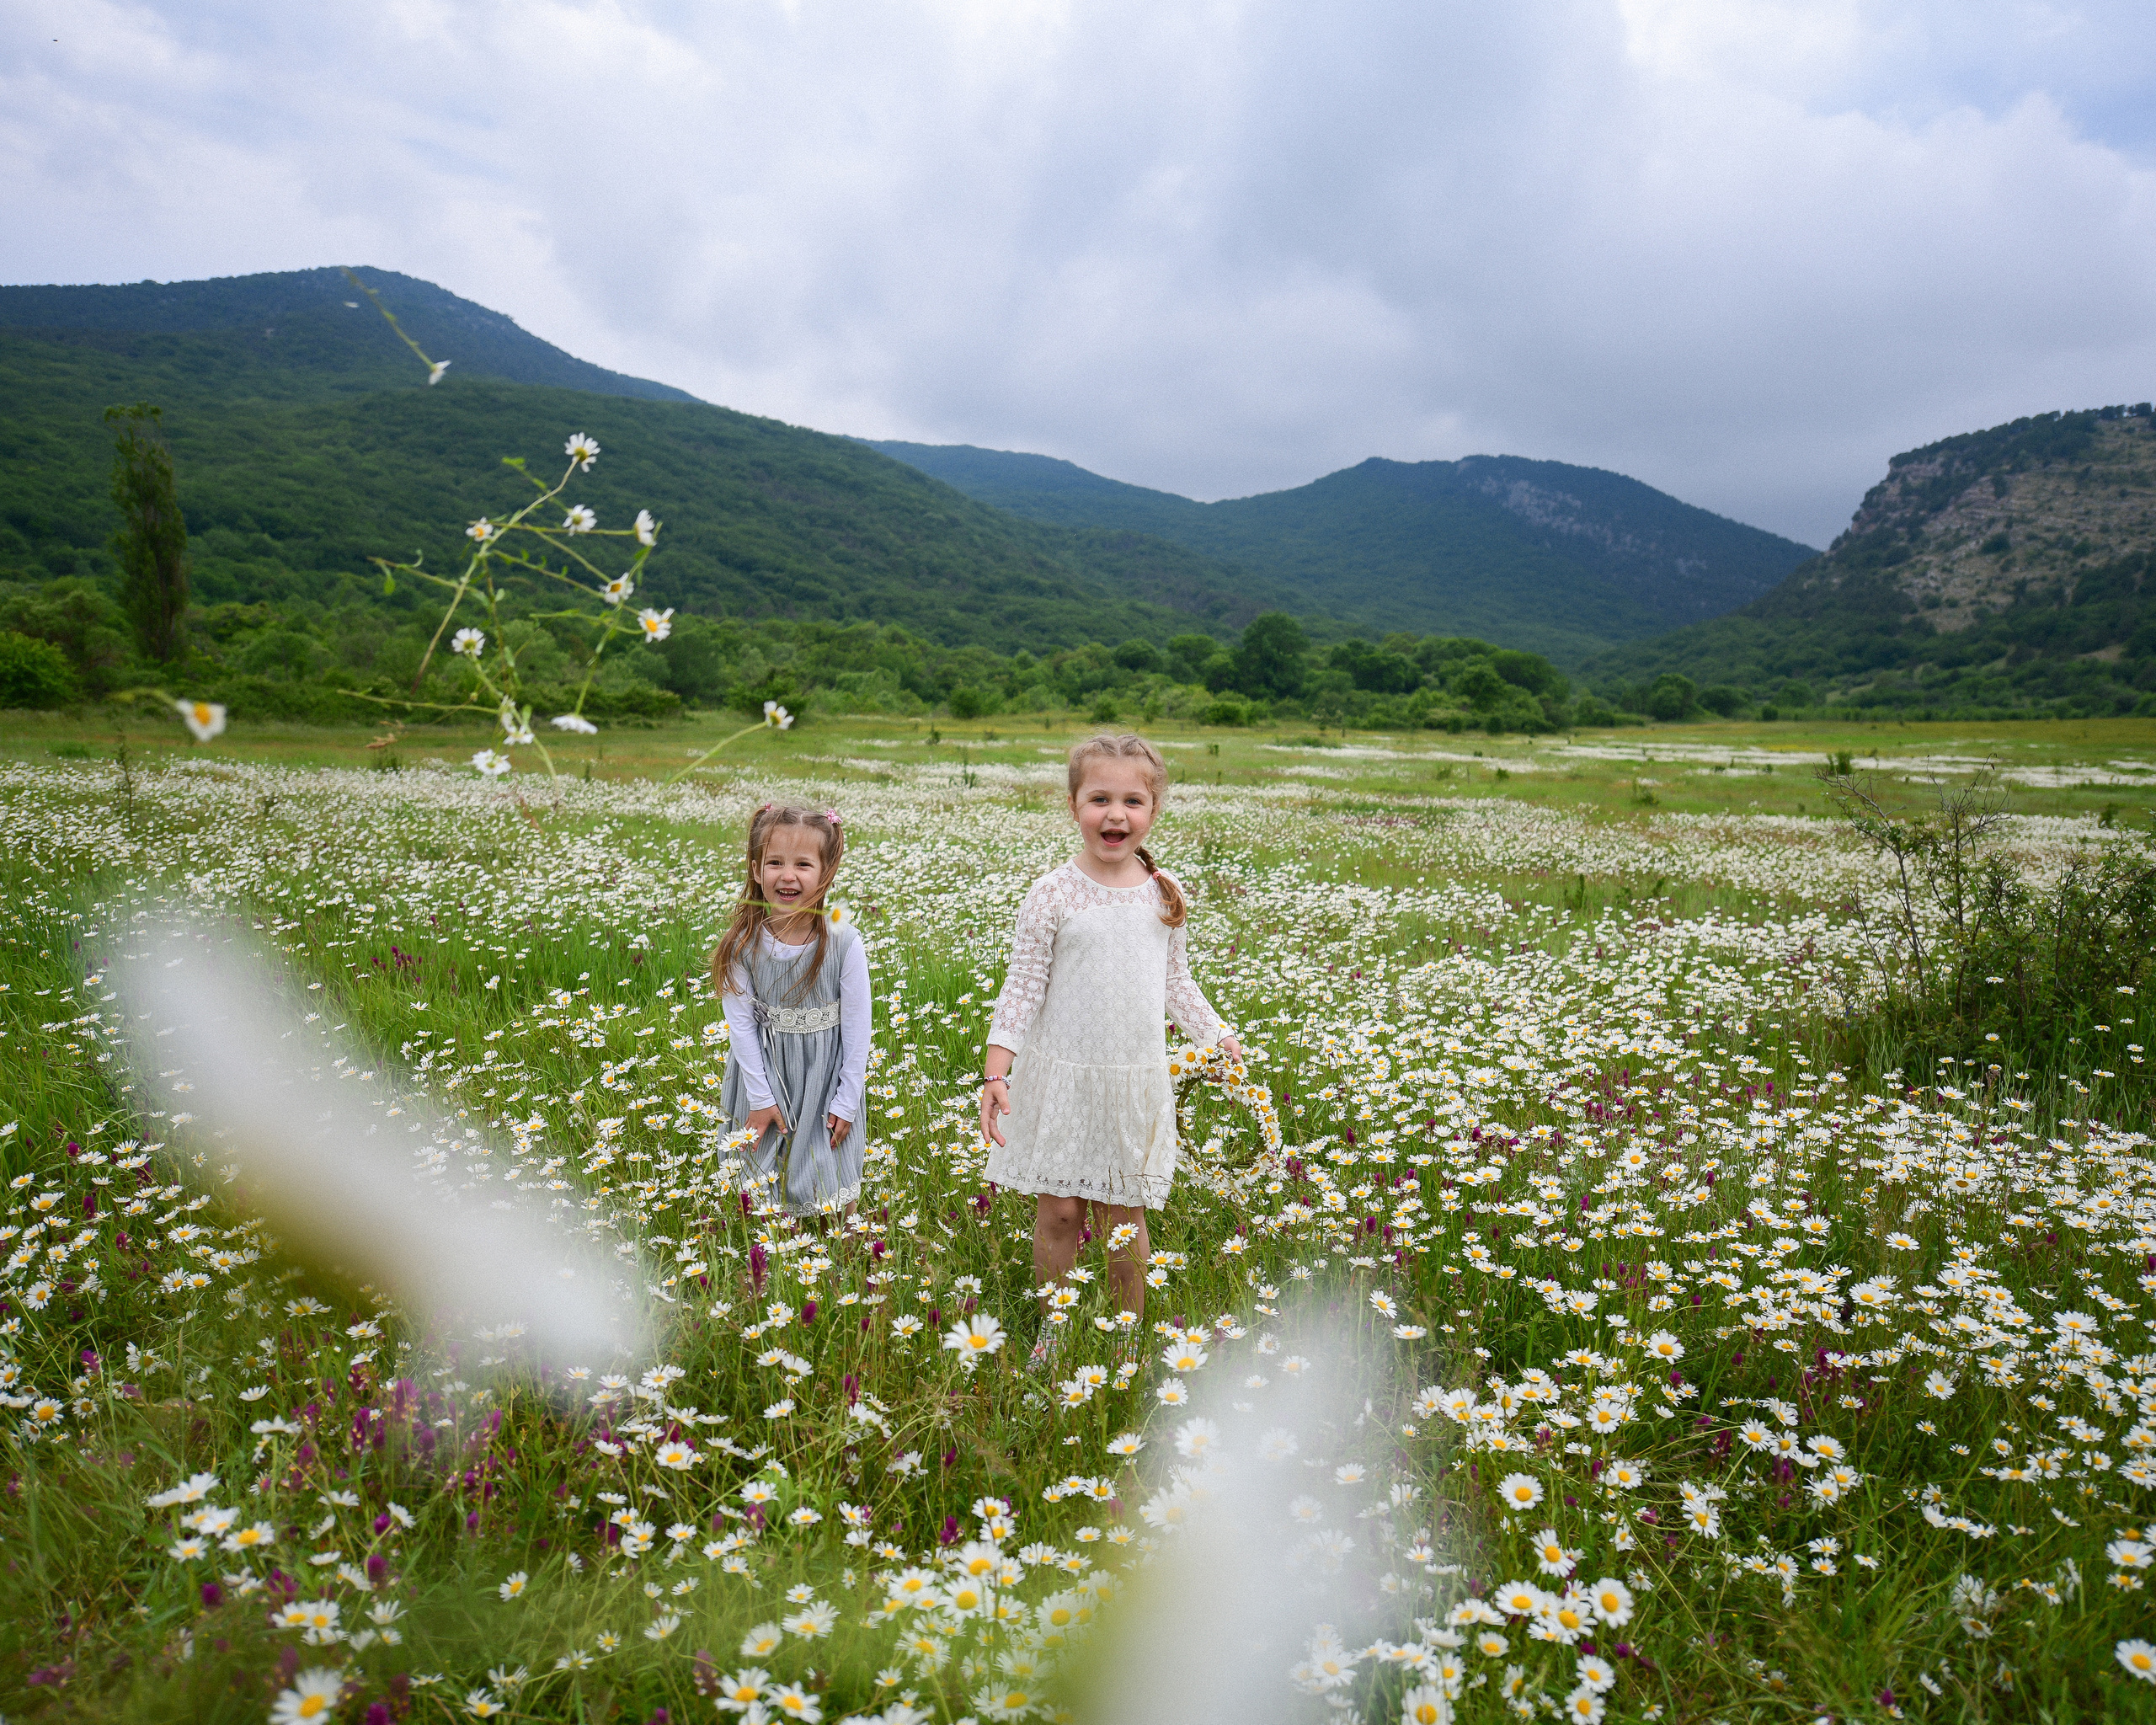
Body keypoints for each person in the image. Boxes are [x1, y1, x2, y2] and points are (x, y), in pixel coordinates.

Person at [979, 732, 1241, 1372]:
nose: (1115, 815)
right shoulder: (1053, 893)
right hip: (1060, 1077)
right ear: (1074, 806)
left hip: (1132, 1079)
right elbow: (1024, 985)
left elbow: (1177, 982)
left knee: (1124, 1215)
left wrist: (1217, 1034)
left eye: (1132, 801)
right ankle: (1056, 1329)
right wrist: (996, 1068)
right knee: (1061, 1212)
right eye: (1100, 799)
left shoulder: (1164, 891)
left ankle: (1125, 1333)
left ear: (1153, 811)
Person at [712, 803, 871, 1218]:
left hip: (824, 1081)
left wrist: (847, 1100)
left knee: (833, 1183)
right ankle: (770, 1264)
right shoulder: (742, 944)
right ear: (754, 868)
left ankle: (843, 1264)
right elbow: (741, 1028)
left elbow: (858, 1032)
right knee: (764, 1189)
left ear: (826, 871)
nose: (788, 875)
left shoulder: (843, 941)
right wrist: (761, 1098)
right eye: (775, 862)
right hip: (762, 1075)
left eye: (803, 864)